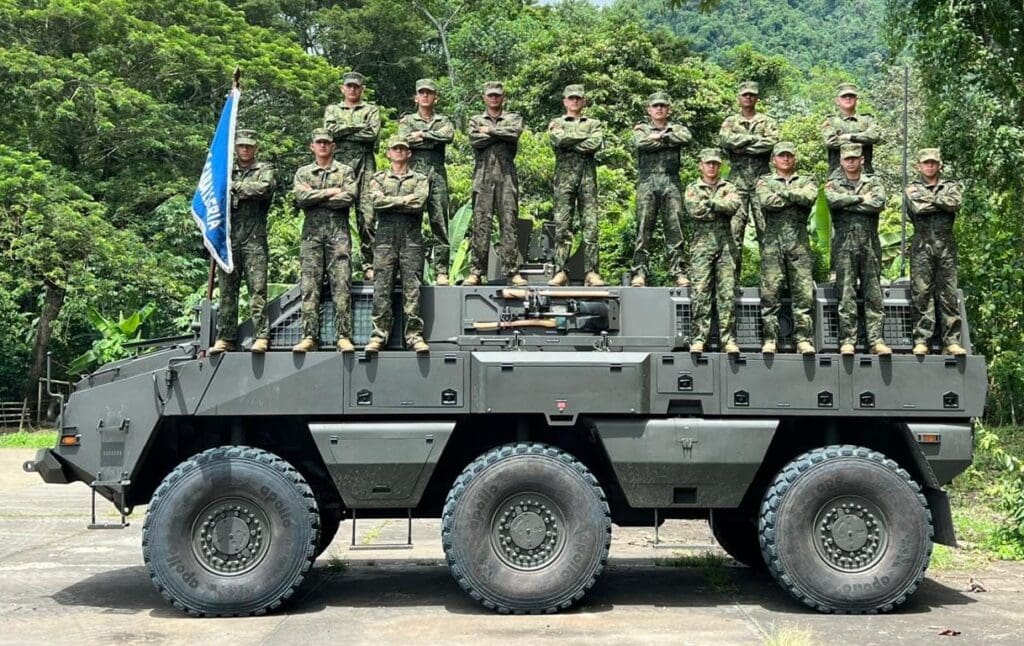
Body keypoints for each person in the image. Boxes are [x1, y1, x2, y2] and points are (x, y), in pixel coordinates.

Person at [291, 129, 358, 353]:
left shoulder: (345, 171)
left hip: (338, 235)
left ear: (333, 146)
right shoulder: (303, 173)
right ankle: (310, 336)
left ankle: (343, 335)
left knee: (341, 284)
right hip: (312, 236)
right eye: (318, 142)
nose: (322, 146)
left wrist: (315, 196)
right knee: (310, 286)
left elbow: (348, 198)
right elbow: (301, 198)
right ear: (312, 146)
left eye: (326, 143)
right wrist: (330, 191)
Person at [209, 129, 275, 355]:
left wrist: (235, 187)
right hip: (228, 238)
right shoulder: (225, 170)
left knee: (257, 289)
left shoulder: (264, 169)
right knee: (228, 290)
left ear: (256, 148)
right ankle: (225, 336)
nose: (245, 150)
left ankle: (261, 335)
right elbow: (214, 194)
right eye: (241, 146)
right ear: (236, 148)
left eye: (249, 146)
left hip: (254, 237)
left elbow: (263, 189)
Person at [364, 137, 431, 354]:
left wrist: (391, 201)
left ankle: (414, 335)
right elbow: (376, 202)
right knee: (382, 288)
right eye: (395, 148)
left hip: (411, 238)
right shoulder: (378, 178)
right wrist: (404, 200)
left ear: (409, 153)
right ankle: (379, 335)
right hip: (385, 239)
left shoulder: (420, 178)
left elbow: (419, 202)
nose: (399, 152)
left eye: (403, 148)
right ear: (388, 153)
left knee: (412, 289)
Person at [824, 143, 891, 356]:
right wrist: (861, 199)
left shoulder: (874, 182)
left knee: (873, 292)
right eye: (847, 159)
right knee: (846, 292)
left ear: (862, 160)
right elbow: (833, 202)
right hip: (844, 244)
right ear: (841, 161)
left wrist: (849, 204)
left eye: (855, 158)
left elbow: (878, 204)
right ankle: (847, 340)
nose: (851, 161)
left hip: (869, 243)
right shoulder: (833, 184)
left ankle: (876, 340)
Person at [754, 142, 817, 355]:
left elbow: (809, 198)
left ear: (794, 159)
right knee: (770, 292)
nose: (786, 159)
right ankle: (770, 339)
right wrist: (793, 196)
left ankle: (803, 339)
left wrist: (784, 195)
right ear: (774, 160)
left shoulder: (806, 180)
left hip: (798, 242)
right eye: (781, 156)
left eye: (789, 156)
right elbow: (767, 201)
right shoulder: (764, 180)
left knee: (803, 293)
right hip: (773, 242)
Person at [464, 82, 527, 287]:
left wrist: (489, 131)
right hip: (482, 176)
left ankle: (512, 270)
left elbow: (514, 134)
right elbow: (475, 141)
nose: (494, 99)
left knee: (509, 223)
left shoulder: (513, 118)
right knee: (481, 224)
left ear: (503, 97)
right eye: (490, 95)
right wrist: (498, 133)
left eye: (497, 95)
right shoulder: (475, 120)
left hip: (506, 175)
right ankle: (476, 271)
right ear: (484, 97)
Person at [905, 148, 966, 356]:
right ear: (919, 166)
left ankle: (952, 340)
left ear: (939, 165)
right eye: (926, 163)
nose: (930, 166)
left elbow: (955, 203)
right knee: (921, 294)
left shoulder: (951, 186)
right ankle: (922, 339)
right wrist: (940, 202)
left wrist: (930, 200)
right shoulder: (912, 188)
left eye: (933, 163)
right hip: (922, 247)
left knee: (948, 294)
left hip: (946, 247)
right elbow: (917, 208)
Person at [630, 91, 693, 287]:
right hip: (647, 182)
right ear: (649, 110)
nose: (659, 109)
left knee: (675, 229)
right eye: (655, 106)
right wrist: (667, 139)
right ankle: (639, 272)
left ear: (669, 109)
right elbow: (641, 142)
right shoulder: (641, 128)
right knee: (643, 229)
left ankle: (679, 272)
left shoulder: (678, 128)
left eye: (663, 106)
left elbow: (685, 137)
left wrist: (659, 137)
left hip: (671, 182)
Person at [323, 71, 381, 279]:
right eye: (349, 86)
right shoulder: (333, 109)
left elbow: (372, 134)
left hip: (365, 164)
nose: (352, 89)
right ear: (342, 88)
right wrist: (356, 127)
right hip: (340, 166)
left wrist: (344, 130)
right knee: (338, 213)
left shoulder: (371, 109)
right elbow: (330, 133)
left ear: (361, 89)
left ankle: (369, 263)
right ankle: (338, 263)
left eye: (356, 86)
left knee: (367, 215)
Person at [684, 148, 742, 354]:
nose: (711, 166)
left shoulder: (729, 186)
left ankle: (729, 340)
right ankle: (699, 338)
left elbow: (734, 205)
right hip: (701, 246)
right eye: (708, 163)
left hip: (726, 245)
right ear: (701, 165)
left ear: (720, 166)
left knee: (727, 293)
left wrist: (710, 204)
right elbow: (694, 211)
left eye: (715, 164)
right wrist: (720, 206)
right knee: (701, 293)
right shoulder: (693, 187)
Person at [719, 81, 779, 277]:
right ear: (739, 97)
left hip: (762, 179)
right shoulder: (730, 121)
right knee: (734, 231)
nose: (748, 97)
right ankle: (731, 281)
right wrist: (753, 139)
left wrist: (742, 144)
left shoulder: (768, 121)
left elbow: (770, 144)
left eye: (752, 95)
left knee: (766, 231)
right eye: (745, 94)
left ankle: (770, 283)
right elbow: (726, 141)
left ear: (757, 98)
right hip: (737, 181)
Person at [398, 78, 454, 285]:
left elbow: (447, 136)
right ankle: (411, 269)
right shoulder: (407, 120)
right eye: (421, 92)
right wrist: (432, 138)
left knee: (439, 222)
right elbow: (403, 140)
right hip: (414, 175)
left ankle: (441, 270)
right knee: (411, 222)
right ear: (416, 97)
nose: (425, 96)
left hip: (436, 173)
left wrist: (422, 134)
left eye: (429, 93)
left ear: (435, 98)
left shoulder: (443, 120)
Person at [547, 84, 605, 287]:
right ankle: (561, 270)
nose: (574, 101)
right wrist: (581, 140)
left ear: (583, 101)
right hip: (564, 181)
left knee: (591, 227)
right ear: (565, 101)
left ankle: (592, 272)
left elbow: (595, 143)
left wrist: (571, 141)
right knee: (563, 227)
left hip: (587, 180)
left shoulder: (594, 123)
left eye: (578, 98)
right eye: (571, 98)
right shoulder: (556, 122)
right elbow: (558, 140)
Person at [822, 83, 882, 176]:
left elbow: (874, 136)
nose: (848, 98)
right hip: (837, 176)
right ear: (837, 101)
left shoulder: (867, 119)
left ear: (857, 100)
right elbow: (831, 142)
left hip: (865, 174)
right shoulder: (831, 121)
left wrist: (849, 137)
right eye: (844, 96)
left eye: (851, 96)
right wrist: (863, 140)